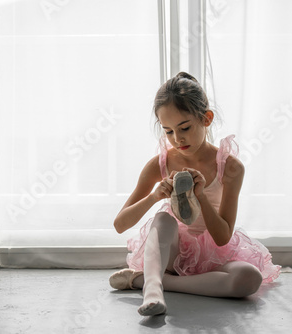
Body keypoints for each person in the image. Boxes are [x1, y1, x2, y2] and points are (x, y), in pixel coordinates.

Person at [109, 72, 281, 316]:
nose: (177, 139)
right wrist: (154, 197)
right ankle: (153, 290)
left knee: (249, 278)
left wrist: (200, 195)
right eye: (168, 131)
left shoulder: (230, 168)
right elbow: (119, 224)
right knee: (164, 218)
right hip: (171, 253)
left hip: (214, 256)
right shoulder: (160, 163)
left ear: (206, 118)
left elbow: (222, 237)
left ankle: (146, 280)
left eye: (185, 128)